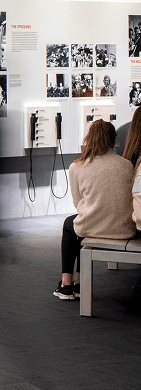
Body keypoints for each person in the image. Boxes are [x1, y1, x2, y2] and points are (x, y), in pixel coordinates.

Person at [54, 120, 136, 300]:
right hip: (124, 229)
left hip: (92, 226)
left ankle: (67, 284)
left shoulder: (77, 166)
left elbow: (78, 203)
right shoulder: (126, 165)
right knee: (79, 224)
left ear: (89, 139)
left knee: (70, 224)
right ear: (114, 140)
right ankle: (78, 281)